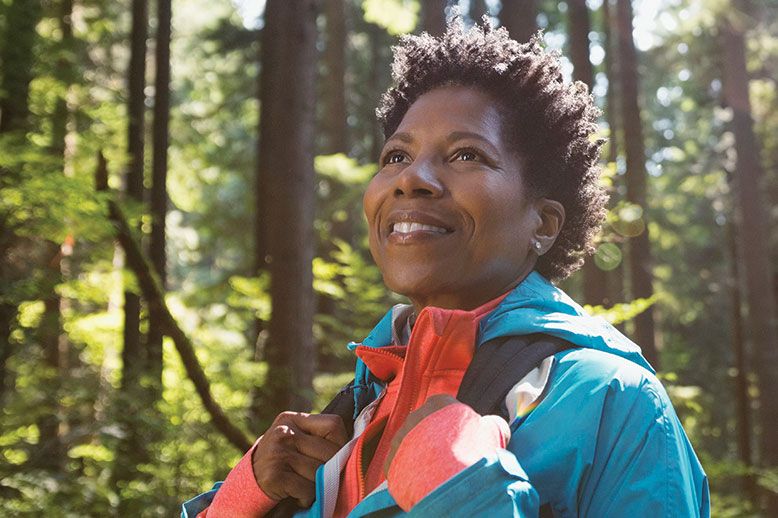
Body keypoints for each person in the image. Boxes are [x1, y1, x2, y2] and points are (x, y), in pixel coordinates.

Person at [182, 18, 709, 517]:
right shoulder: (355, 411)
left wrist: (464, 494)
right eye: (395, 156)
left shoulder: (615, 404)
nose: (411, 179)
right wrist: (242, 500)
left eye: (465, 155)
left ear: (543, 224)